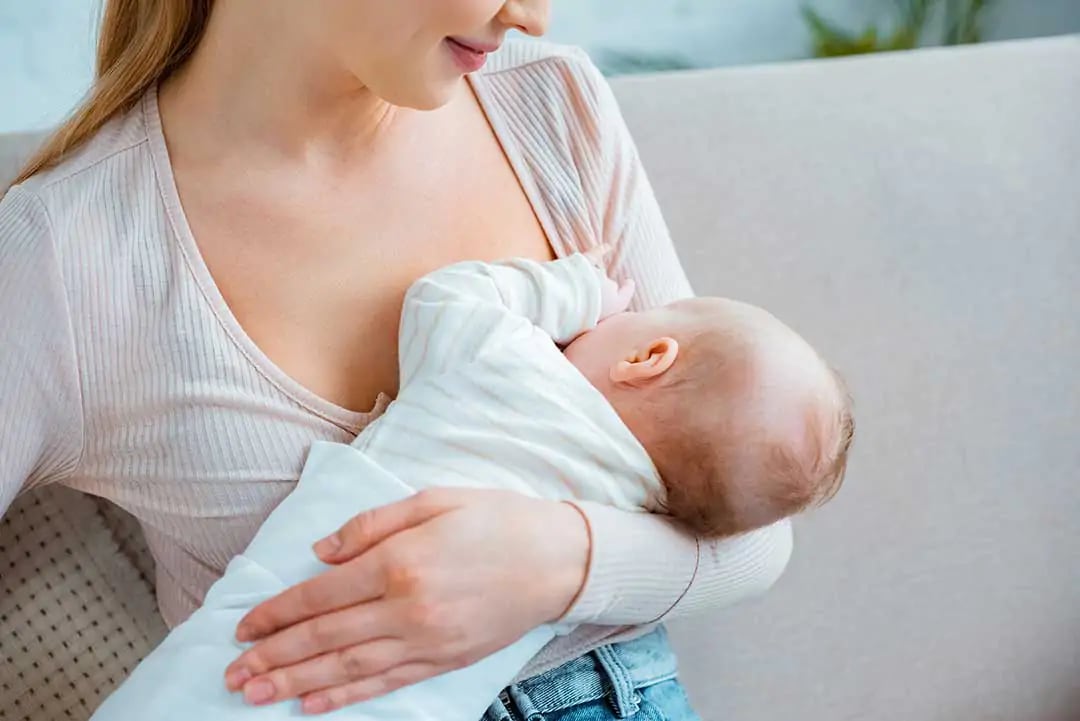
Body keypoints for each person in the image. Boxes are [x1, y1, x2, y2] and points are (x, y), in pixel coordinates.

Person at [1, 1, 795, 718]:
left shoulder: (550, 104)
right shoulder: (68, 258)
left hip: (616, 693)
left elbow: (752, 536)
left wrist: (554, 559)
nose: (534, 17)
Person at [89, 252, 851, 720]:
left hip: (259, 650)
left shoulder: (510, 364)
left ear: (647, 354)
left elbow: (444, 296)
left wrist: (578, 288)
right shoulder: (638, 507)